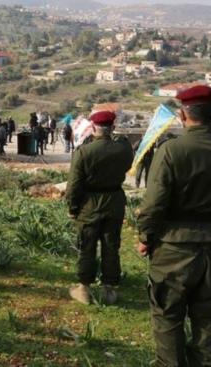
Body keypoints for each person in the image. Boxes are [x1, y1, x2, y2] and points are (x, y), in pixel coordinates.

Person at [136, 85, 211, 366]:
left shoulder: (171, 150)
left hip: (174, 245)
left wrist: (145, 236)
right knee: (210, 322)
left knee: (168, 318)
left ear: (182, 115)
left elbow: (154, 203)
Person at [64, 110, 133, 306]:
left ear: (93, 128)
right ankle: (108, 289)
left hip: (89, 204)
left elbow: (74, 185)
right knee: (112, 245)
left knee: (87, 245)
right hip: (114, 201)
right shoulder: (124, 149)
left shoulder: (84, 152)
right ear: (112, 127)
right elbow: (127, 163)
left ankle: (84, 288)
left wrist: (73, 207)